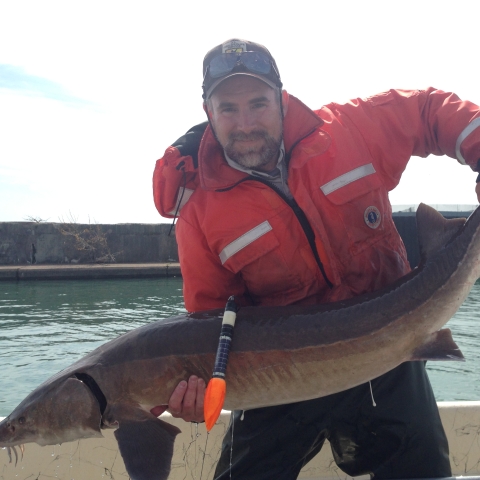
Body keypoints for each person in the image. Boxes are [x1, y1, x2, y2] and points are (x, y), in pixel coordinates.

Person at [153, 38, 480, 479]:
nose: (245, 123)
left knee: (423, 473)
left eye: (258, 103)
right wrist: (199, 389)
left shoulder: (348, 129)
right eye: (228, 108)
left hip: (388, 343)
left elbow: (426, 110)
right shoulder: (199, 213)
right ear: (208, 113)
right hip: (278, 378)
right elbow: (211, 327)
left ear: (282, 99)